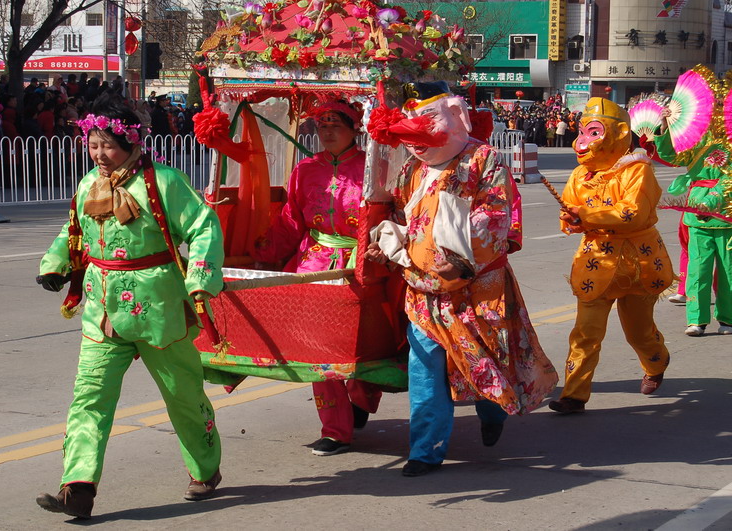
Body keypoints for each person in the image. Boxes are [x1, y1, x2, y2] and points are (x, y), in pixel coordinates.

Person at [35, 94, 225, 519]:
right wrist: (55, 264)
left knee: (182, 394)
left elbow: (203, 225)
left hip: (158, 307)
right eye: (93, 144)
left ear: (131, 142)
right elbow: (74, 232)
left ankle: (205, 468)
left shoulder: (164, 182)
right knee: (89, 397)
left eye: (108, 145)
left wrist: (199, 278)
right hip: (102, 311)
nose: (100, 154)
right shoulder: (88, 185)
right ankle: (78, 486)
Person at [367, 81, 558, 476]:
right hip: (423, 290)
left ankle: (493, 413)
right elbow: (408, 217)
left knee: (483, 363)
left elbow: (496, 213)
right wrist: (391, 244)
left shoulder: (482, 160)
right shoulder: (411, 168)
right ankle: (425, 449)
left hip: (476, 290)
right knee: (425, 371)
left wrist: (463, 260)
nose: (417, 143)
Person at [253, 101, 382, 456]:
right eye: (321, 125)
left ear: (354, 128)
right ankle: (335, 429)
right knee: (316, 349)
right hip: (313, 265)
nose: (326, 132)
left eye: (335, 125)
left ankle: (361, 397)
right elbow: (291, 220)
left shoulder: (372, 169)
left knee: (360, 347)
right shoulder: (305, 170)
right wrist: (263, 256)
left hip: (358, 266)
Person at [548, 97, 674, 415]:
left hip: (639, 262)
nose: (583, 142)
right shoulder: (579, 176)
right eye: (582, 132)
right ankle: (574, 395)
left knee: (639, 331)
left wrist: (587, 216)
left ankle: (656, 362)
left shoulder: (637, 171)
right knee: (585, 332)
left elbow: (631, 214)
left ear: (619, 134)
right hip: (596, 261)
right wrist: (573, 219)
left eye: (594, 132)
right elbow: (571, 212)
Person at [653, 105, 732, 336]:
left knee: (728, 271)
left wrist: (713, 201)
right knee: (698, 269)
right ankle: (696, 319)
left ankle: (727, 318)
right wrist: (666, 126)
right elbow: (671, 155)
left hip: (726, 212)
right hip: (697, 214)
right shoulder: (696, 138)